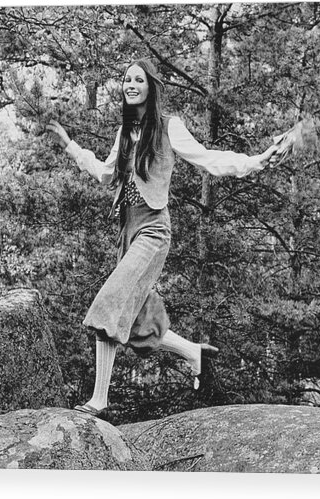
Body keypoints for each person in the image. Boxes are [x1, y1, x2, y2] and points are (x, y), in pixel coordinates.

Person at [46, 59, 280, 417]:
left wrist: (256, 161)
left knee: (109, 304)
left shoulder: (170, 127)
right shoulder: (125, 132)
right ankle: (194, 354)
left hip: (154, 231)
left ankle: (99, 400)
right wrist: (70, 146)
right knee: (139, 323)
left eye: (138, 79)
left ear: (150, 87)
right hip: (128, 233)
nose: (131, 84)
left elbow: (208, 159)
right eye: (126, 79)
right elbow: (106, 176)